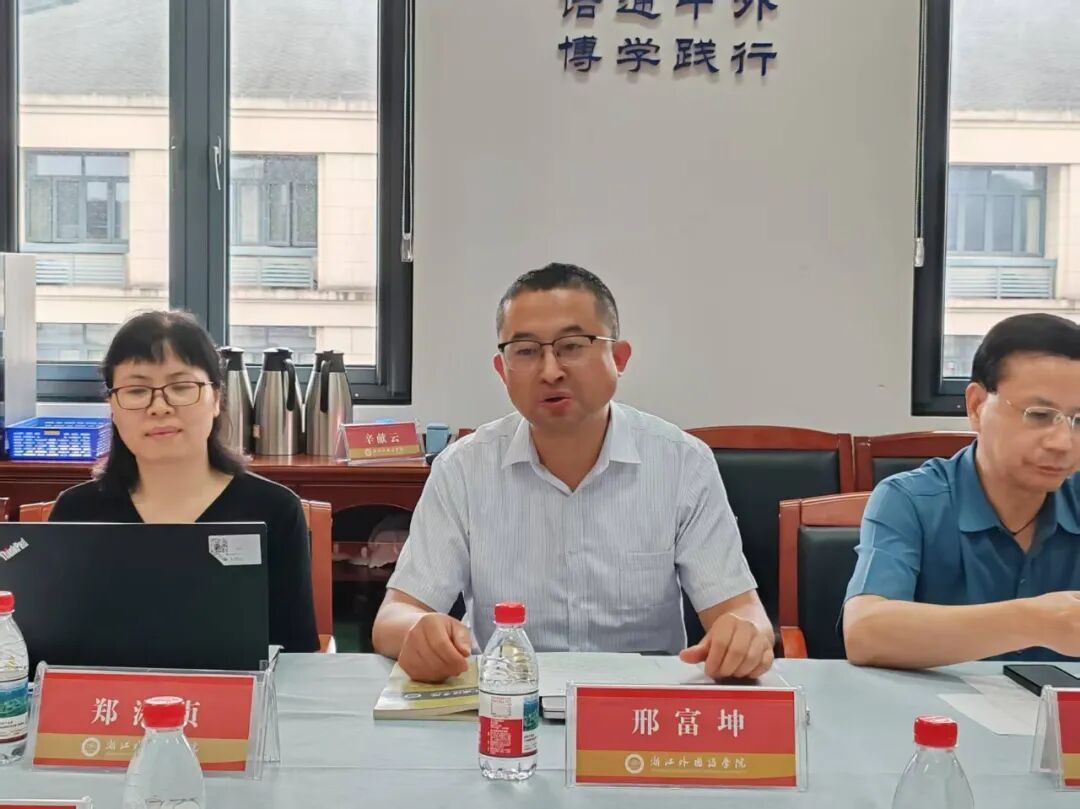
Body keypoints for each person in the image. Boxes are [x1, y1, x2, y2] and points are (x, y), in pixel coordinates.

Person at [372, 263, 773, 682]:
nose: (550, 371)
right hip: (508, 700)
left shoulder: (682, 463)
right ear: (502, 370)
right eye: (526, 351)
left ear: (619, 358)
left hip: (638, 706)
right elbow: (396, 616)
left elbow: (742, 613)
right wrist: (419, 632)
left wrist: (746, 637)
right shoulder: (462, 469)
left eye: (572, 346)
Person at [49, 310, 319, 653]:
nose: (159, 407)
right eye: (136, 390)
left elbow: (296, 652)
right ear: (112, 407)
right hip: (109, 689)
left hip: (237, 689)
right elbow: (49, 648)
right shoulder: (76, 512)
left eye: (181, 387)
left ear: (216, 399)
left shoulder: (274, 510)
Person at [843, 313, 1080, 668]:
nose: (1063, 442)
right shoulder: (911, 500)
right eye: (1039, 414)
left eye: (1079, 420)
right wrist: (1036, 621)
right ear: (976, 406)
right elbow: (866, 632)